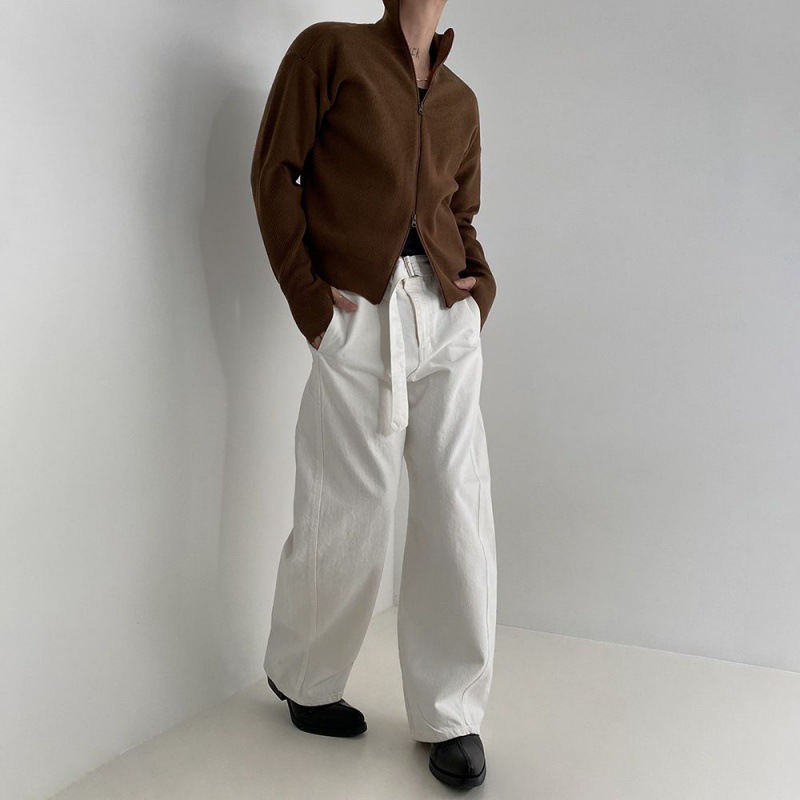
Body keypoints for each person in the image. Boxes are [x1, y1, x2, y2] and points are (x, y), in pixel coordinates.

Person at [250, 0, 497, 789]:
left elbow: (460, 213)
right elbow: (275, 173)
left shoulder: (460, 100)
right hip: (359, 307)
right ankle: (305, 675)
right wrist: (311, 303)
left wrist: (478, 291)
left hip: (445, 314)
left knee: (457, 503)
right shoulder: (330, 52)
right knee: (349, 500)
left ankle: (451, 714)